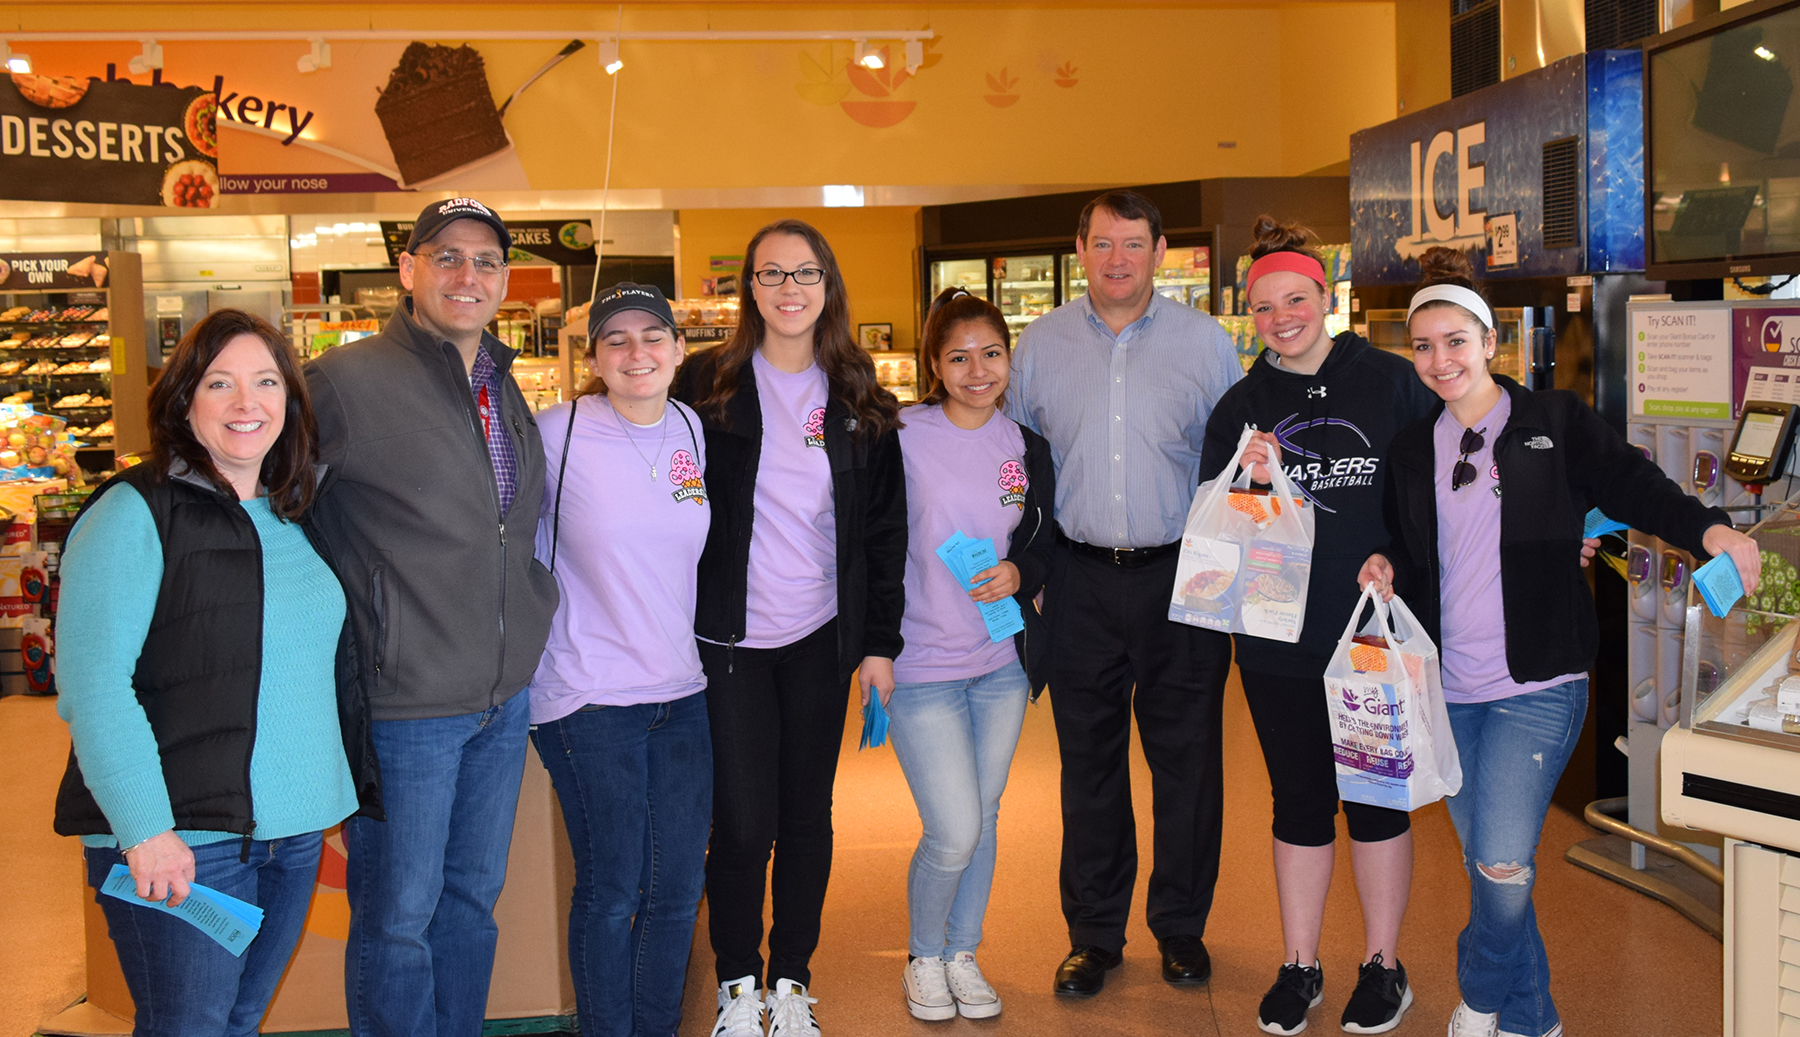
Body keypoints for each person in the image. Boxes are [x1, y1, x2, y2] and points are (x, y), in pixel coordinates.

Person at [1356, 247, 1762, 1037]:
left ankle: (1478, 1000)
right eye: (1425, 346)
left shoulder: (1554, 423)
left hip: (1539, 686)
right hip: (1451, 689)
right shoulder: (1411, 450)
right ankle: (1533, 1018)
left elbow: (1637, 484)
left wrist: (1709, 527)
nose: (1440, 361)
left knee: (1503, 863)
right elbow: (1414, 552)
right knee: (1492, 869)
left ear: (1489, 342)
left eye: (1456, 342)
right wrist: (1385, 563)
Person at [53, 308, 376, 1037]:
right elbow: (95, 687)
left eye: (265, 381)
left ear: (289, 402)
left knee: (235, 1022)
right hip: (183, 845)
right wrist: (144, 830)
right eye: (219, 382)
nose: (245, 403)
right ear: (182, 401)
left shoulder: (290, 513)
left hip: (289, 839)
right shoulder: (134, 513)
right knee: (189, 1026)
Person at [305, 197, 559, 1037]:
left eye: (486, 261)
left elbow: (507, 527)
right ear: (407, 269)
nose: (468, 275)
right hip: (404, 703)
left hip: (499, 697)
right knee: (397, 915)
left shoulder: (504, 381)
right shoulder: (342, 381)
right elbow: (282, 517)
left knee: (471, 903)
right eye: (446, 256)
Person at [1198, 217, 1439, 1036]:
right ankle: (1300, 963)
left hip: (1370, 638)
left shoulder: (1394, 382)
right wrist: (1249, 481)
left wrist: (1396, 558)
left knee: (1375, 800)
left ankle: (1383, 964)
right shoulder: (1241, 406)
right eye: (1263, 307)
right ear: (1250, 313)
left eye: (1295, 299)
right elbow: (1218, 541)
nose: (1281, 317)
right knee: (1298, 800)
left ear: (1324, 298)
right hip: (1275, 643)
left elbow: (1431, 500)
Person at [1006, 189, 1243, 998]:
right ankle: (1095, 934)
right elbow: (1015, 469)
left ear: (1161, 250)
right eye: (1102, 243)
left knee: (1188, 766)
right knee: (1089, 766)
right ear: (1081, 249)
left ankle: (1180, 927)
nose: (1117, 259)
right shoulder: (1038, 347)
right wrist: (1022, 571)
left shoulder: (1206, 345)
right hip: (1075, 581)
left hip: (1184, 577)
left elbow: (1241, 472)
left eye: (1133, 244)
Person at [673, 218, 906, 1037]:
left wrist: (879, 644)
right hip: (728, 642)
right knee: (741, 819)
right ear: (750, 289)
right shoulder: (704, 384)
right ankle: (739, 983)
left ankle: (791, 981)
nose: (789, 289)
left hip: (819, 639)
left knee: (807, 814)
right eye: (771, 274)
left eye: (805, 273)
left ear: (828, 285)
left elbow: (884, 532)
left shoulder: (855, 394)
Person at [529, 283, 712, 1037]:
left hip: (681, 692)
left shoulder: (690, 428)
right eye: (618, 340)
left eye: (653, 336)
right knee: (613, 890)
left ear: (676, 347)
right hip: (587, 696)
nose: (638, 352)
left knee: (676, 887)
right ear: (595, 356)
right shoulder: (555, 432)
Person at [887, 289, 1056, 1022]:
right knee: (953, 825)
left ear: (1008, 359)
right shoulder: (896, 433)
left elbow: (1046, 534)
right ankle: (924, 954)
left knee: (983, 814)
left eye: (991, 353)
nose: (977, 369)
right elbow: (863, 538)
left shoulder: (1024, 445)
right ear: (934, 365)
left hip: (999, 663)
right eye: (958, 356)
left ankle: (962, 952)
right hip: (919, 663)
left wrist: (1024, 572)